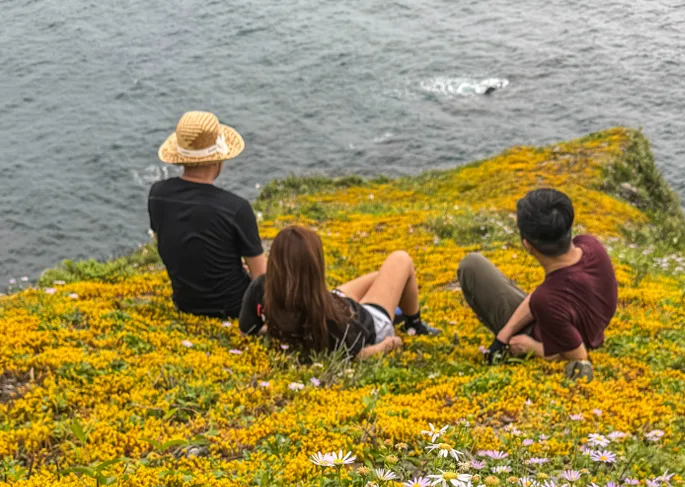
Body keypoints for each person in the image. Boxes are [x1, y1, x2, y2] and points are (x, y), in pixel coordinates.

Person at [457, 188, 618, 382]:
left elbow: (580, 356)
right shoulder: (591, 245)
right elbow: (547, 297)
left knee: (472, 265)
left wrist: (533, 348)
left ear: (527, 245)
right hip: (585, 327)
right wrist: (503, 335)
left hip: (550, 335)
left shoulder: (548, 300)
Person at [239, 225, 439, 360]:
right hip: (368, 319)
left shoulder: (261, 287)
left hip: (335, 300)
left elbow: (248, 329)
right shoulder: (332, 322)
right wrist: (388, 344)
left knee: (382, 276)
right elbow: (359, 354)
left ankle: (398, 303)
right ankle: (414, 324)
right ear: (316, 269)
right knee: (401, 260)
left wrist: (277, 330)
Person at [149, 111, 266, 319]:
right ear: (218, 160)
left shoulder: (157, 195)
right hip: (235, 308)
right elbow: (261, 281)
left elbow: (170, 246)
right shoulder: (236, 208)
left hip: (185, 303)